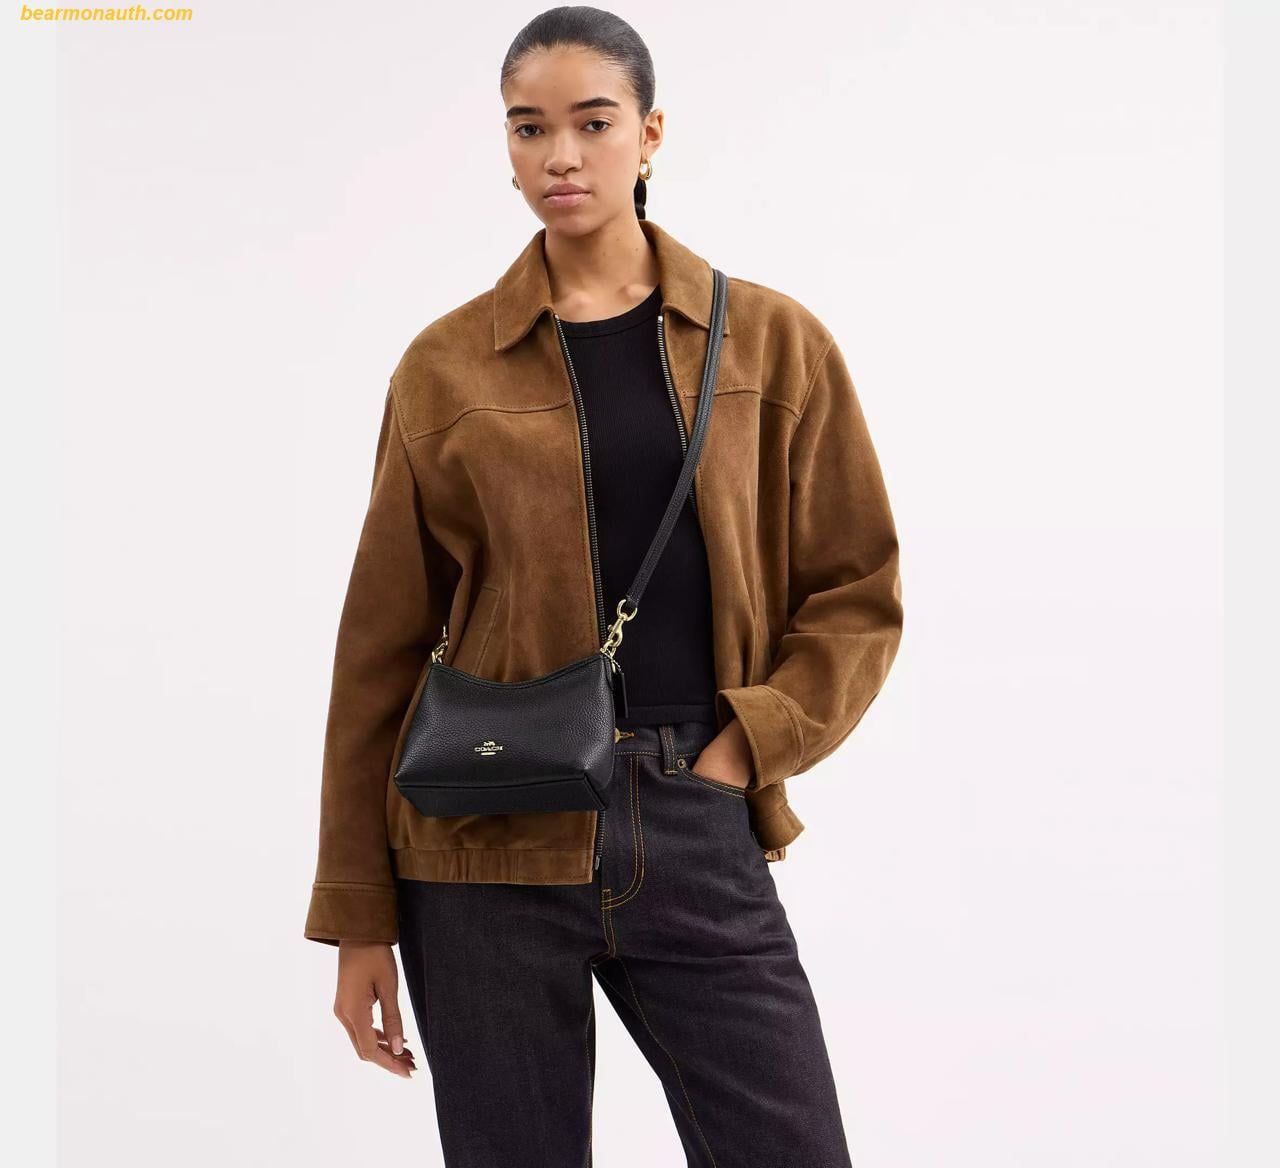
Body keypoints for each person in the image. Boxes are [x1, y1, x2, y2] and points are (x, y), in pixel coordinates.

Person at [304, 7, 903, 1165]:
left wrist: (748, 744)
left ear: (649, 132)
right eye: (528, 128)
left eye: (592, 122)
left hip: (692, 809)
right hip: (482, 842)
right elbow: (378, 651)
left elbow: (855, 588)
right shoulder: (444, 368)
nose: (560, 156)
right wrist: (357, 917)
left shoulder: (770, 343)